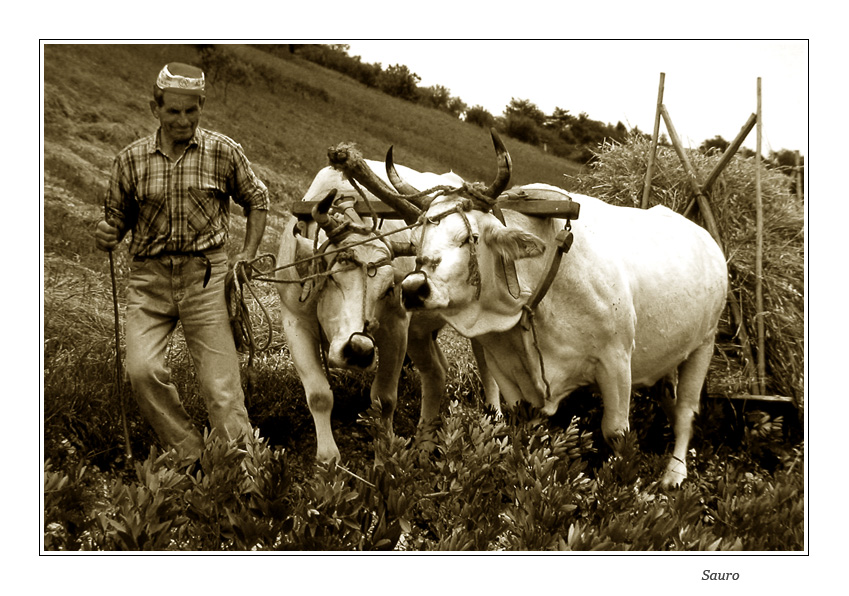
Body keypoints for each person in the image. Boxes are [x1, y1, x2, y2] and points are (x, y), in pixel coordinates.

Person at [95, 62, 269, 461]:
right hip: (149, 282)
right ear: (154, 108)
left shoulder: (223, 151)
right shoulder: (130, 160)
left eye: (192, 110)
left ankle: (243, 472)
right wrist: (106, 232)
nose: (183, 120)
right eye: (173, 111)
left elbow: (257, 200)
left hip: (205, 278)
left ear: (201, 106)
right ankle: (193, 456)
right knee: (142, 372)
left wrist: (247, 254)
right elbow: (116, 221)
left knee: (221, 387)